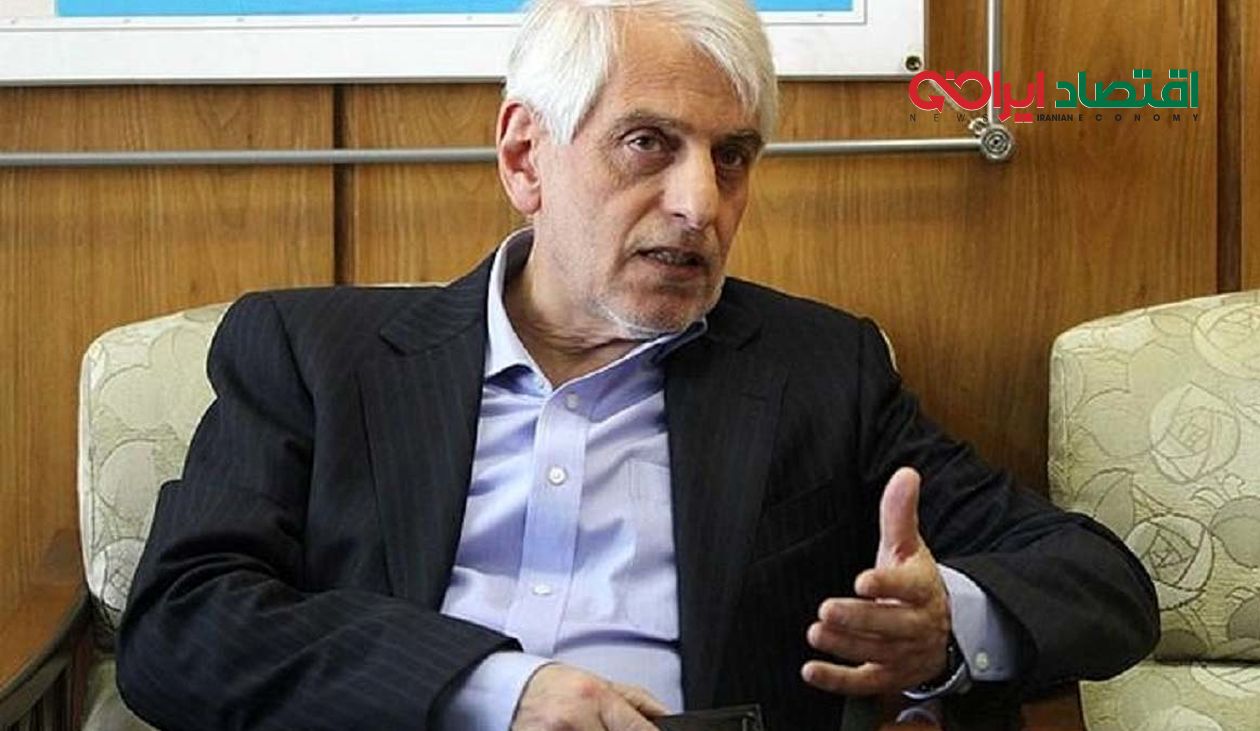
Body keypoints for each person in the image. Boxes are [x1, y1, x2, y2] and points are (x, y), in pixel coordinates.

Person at [116, 1, 1158, 729]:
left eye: (731, 156)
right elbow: (180, 626)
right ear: (525, 156)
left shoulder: (817, 371)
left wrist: (942, 627)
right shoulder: (314, 354)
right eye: (649, 143)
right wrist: (492, 690)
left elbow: (1097, 582)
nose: (700, 204)